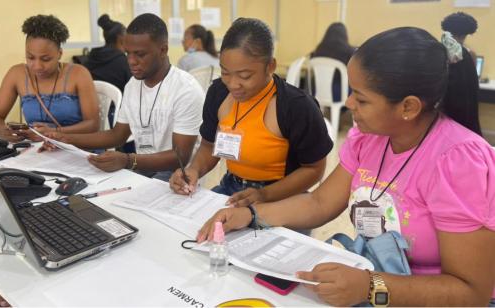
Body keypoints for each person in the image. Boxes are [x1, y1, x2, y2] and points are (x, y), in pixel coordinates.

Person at [197, 27, 495, 306]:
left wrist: (371, 286)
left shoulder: (457, 161)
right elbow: (320, 201)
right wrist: (249, 216)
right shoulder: (369, 138)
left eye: (361, 99)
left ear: (408, 107)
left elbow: (472, 292)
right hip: (374, 275)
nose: (349, 103)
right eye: (351, 91)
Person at [170, 18, 332, 208]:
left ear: (270, 66)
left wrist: (264, 195)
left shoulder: (296, 106)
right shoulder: (219, 93)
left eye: (245, 76)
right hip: (232, 188)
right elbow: (208, 146)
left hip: (283, 196)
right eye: (225, 72)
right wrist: (194, 170)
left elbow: (314, 169)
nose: (233, 84)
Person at [44, 13, 204, 181]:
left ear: (163, 50)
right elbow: (117, 135)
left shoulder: (185, 89)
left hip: (178, 174)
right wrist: (66, 139)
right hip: (144, 166)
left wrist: (128, 160)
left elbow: (180, 157)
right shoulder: (133, 85)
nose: (131, 61)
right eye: (128, 53)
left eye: (140, 54)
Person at [0, 14, 100, 143]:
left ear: (59, 54)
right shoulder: (17, 74)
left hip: (76, 147)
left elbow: (93, 124)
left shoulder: (78, 74)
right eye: (30, 57)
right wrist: (3, 131)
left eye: (45, 59)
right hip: (39, 150)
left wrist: (55, 132)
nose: (37, 66)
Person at [441, 31, 482, 136]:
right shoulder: (470, 54)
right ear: (466, 35)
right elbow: (472, 78)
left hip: (444, 96)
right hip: (464, 98)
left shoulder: (440, 51)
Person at [84, 14, 131, 93]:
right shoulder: (124, 62)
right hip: (118, 104)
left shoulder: (90, 58)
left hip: (92, 103)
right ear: (121, 38)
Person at [310, 22, 355, 101]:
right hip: (337, 93)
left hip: (315, 90)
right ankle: (339, 111)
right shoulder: (349, 50)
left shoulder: (318, 49)